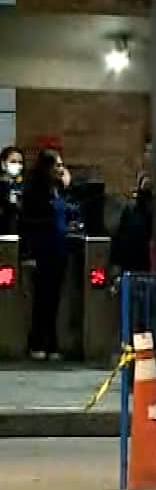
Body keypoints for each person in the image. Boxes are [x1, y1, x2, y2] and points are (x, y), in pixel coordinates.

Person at [19, 149, 74, 362]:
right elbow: (27, 222)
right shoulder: (35, 192)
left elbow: (69, 209)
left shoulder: (57, 190)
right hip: (43, 249)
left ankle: (51, 343)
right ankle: (37, 342)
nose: (61, 169)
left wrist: (67, 185)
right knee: (42, 299)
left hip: (58, 249)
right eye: (57, 165)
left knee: (53, 300)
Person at [109, 173, 155, 284]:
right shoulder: (131, 210)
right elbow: (118, 236)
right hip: (133, 262)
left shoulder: (144, 211)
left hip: (140, 263)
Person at [1, 146, 24, 236]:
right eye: (13, 162)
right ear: (3, 164)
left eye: (20, 162)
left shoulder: (24, 186)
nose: (17, 165)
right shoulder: (2, 186)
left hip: (20, 235)